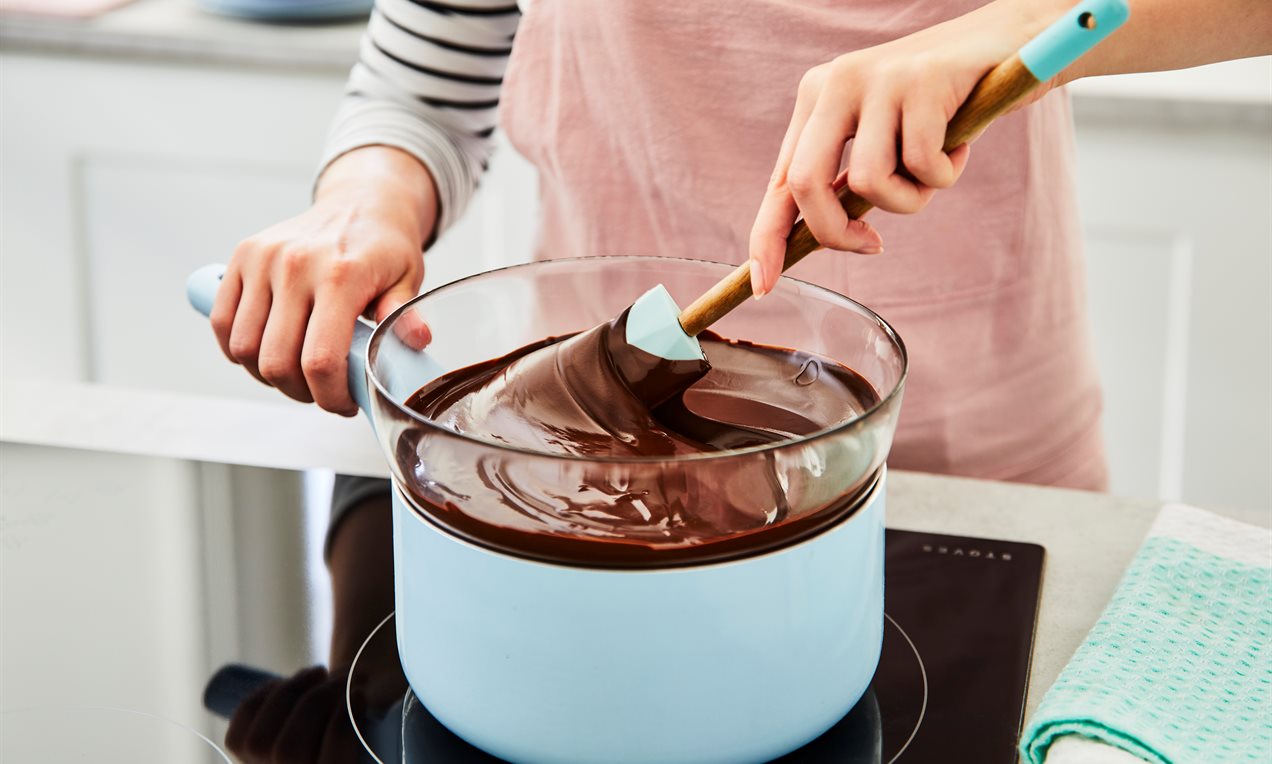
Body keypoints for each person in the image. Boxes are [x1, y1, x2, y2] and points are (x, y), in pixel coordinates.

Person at [213, 1, 1270, 760]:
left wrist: (1003, 27)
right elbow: (431, 63)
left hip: (979, 470)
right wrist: (369, 198)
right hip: (558, 452)